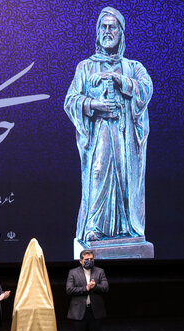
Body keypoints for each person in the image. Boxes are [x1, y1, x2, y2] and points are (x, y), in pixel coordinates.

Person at [64, 7, 153, 243]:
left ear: (121, 32)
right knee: (98, 171)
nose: (107, 31)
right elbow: (70, 101)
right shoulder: (85, 67)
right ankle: (94, 226)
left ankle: (126, 228)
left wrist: (117, 79)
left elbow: (146, 89)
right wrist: (95, 105)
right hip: (100, 132)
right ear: (97, 32)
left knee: (125, 178)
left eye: (112, 27)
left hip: (125, 136)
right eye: (103, 27)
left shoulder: (133, 67)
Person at [66, 249, 109, 331]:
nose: (89, 261)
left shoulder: (99, 271)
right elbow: (69, 289)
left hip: (95, 312)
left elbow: (106, 288)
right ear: (81, 261)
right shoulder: (73, 272)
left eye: (91, 259)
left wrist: (94, 286)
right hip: (79, 312)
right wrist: (86, 288)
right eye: (86, 260)